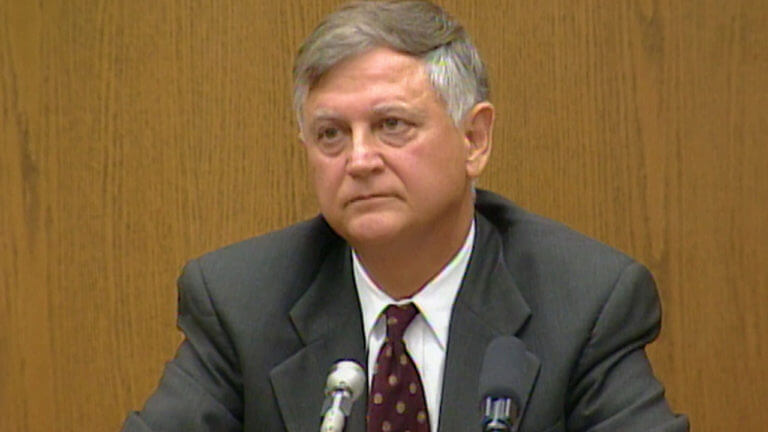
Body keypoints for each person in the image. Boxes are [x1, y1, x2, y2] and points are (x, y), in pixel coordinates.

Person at [122, 1, 689, 431]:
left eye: (392, 125)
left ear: (474, 138)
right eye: (331, 135)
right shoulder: (241, 302)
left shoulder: (584, 303)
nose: (360, 160)